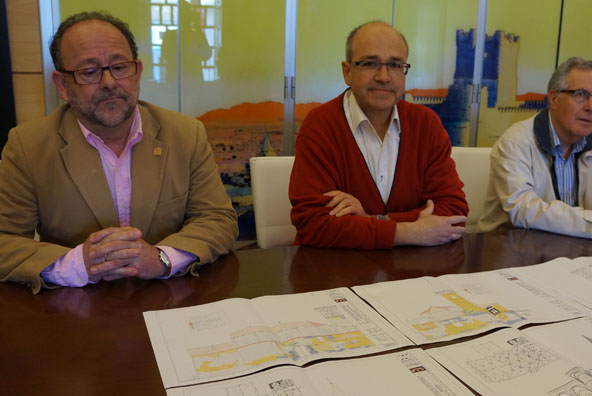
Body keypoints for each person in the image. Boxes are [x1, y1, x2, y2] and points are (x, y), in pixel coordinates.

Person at [0, 11, 238, 293]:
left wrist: (161, 259)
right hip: (76, 302)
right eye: (89, 71)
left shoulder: (186, 134)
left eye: (119, 67)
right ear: (62, 85)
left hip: (167, 295)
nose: (109, 82)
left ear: (137, 72)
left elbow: (218, 219)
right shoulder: (28, 146)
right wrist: (78, 264)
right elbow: (5, 240)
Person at [289, 21, 468, 249]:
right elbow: (314, 224)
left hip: (413, 267)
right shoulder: (321, 125)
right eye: (370, 63)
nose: (384, 76)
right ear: (347, 72)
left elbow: (453, 212)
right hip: (335, 266)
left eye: (395, 65)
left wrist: (372, 220)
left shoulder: (426, 124)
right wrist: (410, 231)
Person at [478, 57, 592, 246]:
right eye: (580, 94)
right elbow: (523, 209)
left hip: (579, 251)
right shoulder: (515, 142)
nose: (591, 107)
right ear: (553, 99)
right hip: (513, 250)